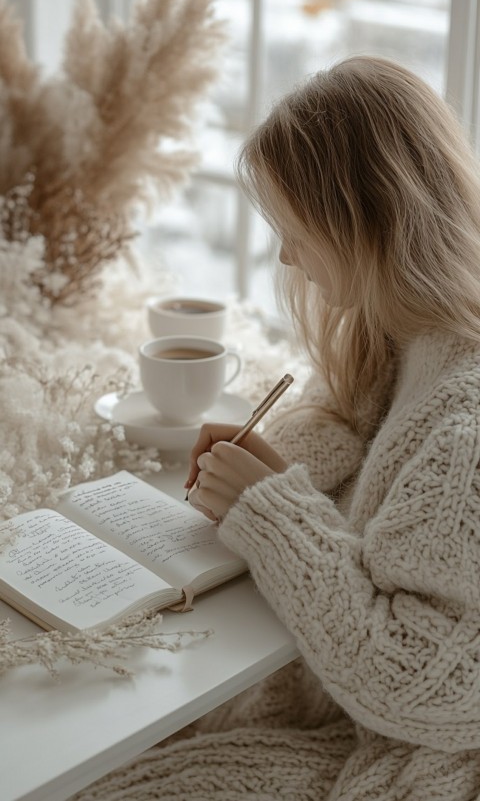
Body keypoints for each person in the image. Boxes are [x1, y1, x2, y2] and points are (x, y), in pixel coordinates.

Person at [78, 56, 480, 799]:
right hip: (335, 697)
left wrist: (271, 508)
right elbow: (355, 426)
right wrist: (273, 461)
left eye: (296, 230)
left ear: (368, 218)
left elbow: (432, 683)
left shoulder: (464, 423)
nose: (287, 254)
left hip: (402, 748)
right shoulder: (401, 336)